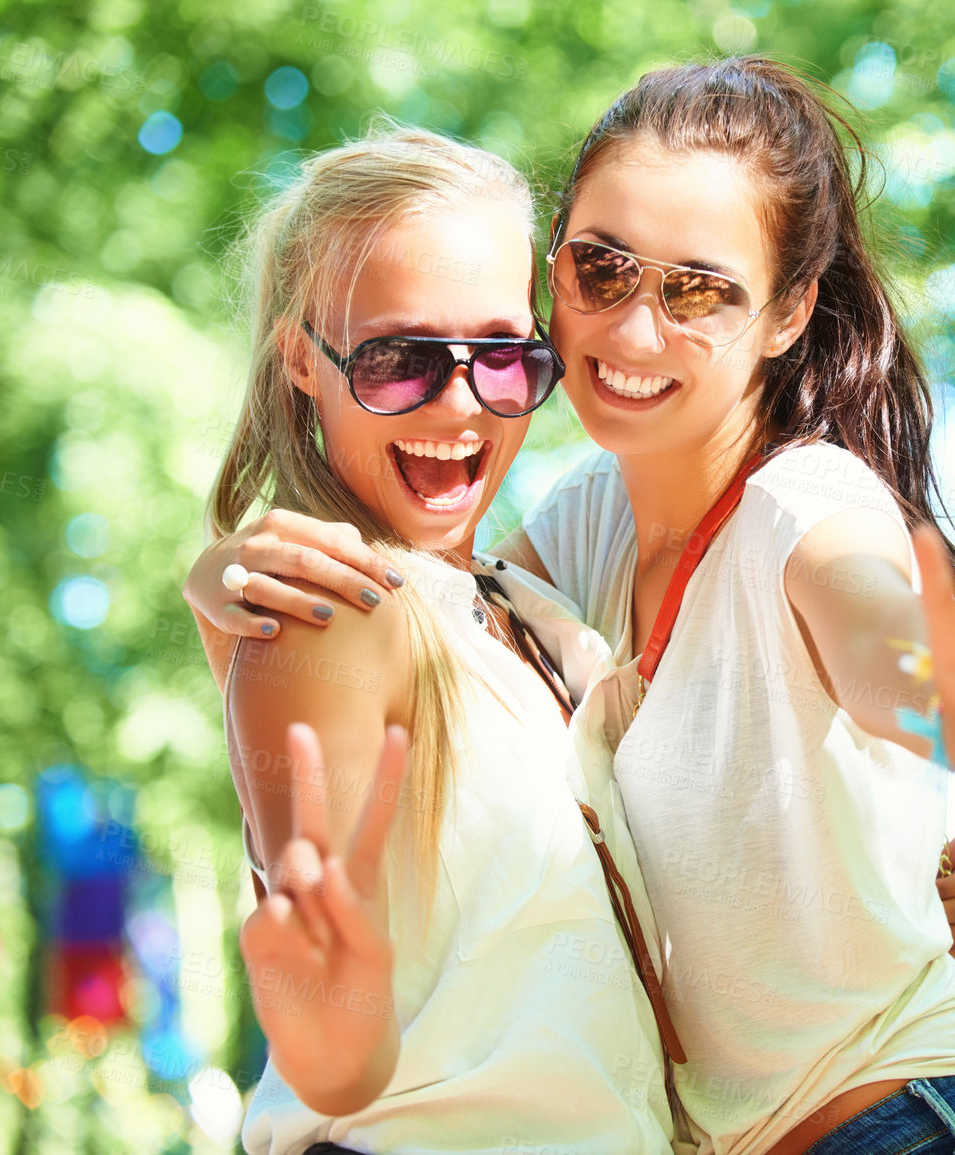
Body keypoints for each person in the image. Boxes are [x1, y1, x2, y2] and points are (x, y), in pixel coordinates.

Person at [187, 58, 955, 1154]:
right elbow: (425, 649)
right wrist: (222, 587)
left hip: (899, 1126)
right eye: (602, 268)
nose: (634, 330)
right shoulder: (570, 535)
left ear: (789, 311)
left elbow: (880, 633)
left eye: (698, 289)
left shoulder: (804, 505)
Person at [199, 121, 678, 1154]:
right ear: (302, 361)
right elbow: (332, 1048)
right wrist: (325, 1015)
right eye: (399, 359)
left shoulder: (538, 620)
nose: (462, 402)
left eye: (504, 356)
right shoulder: (327, 616)